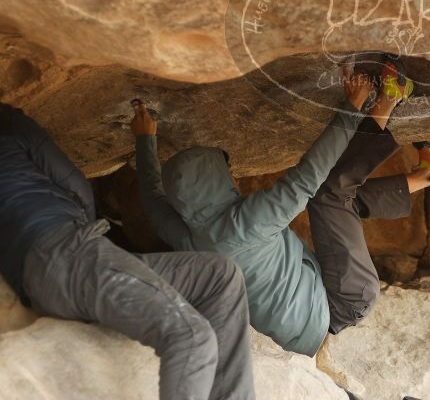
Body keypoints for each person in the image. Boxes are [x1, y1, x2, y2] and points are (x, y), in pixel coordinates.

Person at [134, 55, 430, 357]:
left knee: (338, 203)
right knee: (328, 192)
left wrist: (144, 142)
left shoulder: (190, 240)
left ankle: (426, 177)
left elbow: (152, 200)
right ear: (216, 180)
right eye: (225, 171)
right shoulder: (249, 222)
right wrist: (352, 103)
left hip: (305, 333)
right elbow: (309, 175)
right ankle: (390, 95)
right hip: (342, 299)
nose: (231, 176)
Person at [0, 102, 256, 400]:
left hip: (47, 275)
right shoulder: (9, 125)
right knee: (190, 336)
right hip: (72, 254)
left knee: (219, 276)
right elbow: (76, 184)